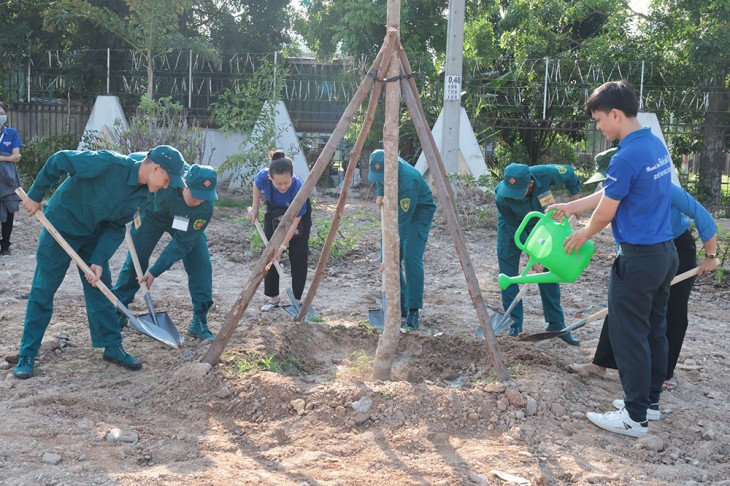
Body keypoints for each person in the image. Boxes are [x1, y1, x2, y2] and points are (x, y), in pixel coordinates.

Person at [561, 80, 679, 438]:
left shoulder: (627, 154)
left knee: (629, 336)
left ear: (615, 114)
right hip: (664, 254)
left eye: (599, 120)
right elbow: (612, 189)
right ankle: (650, 403)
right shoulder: (652, 145)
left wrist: (582, 233)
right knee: (655, 330)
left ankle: (634, 416)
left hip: (639, 259)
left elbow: (608, 211)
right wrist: (573, 205)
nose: (598, 127)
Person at [13, 146, 186, 380]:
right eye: (166, 179)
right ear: (155, 168)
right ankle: (27, 354)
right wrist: (35, 195)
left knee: (102, 291)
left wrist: (99, 259)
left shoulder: (144, 195)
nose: (166, 186)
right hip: (61, 227)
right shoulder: (108, 164)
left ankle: (112, 347)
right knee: (44, 289)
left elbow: (116, 227)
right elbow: (59, 160)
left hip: (93, 237)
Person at [558, 168, 719, 392]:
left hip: (677, 248)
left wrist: (710, 257)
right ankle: (601, 363)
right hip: (639, 251)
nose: (607, 185)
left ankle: (665, 373)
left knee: (671, 308)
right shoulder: (616, 190)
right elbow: (603, 198)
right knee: (619, 300)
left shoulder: (664, 189)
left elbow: (702, 216)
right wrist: (570, 207)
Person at [114, 162, 219, 340]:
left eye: (204, 197)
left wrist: (155, 271)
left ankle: (199, 320)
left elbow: (182, 244)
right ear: (185, 183)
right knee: (136, 259)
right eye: (195, 194)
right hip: (153, 215)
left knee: (201, 264)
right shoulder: (166, 177)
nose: (198, 201)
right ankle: (119, 309)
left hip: (184, 222)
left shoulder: (204, 207)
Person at [495, 162, 582, 345]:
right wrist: (531, 255)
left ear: (531, 184)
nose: (515, 196)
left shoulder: (544, 174)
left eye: (519, 191)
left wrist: (576, 199)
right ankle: (514, 325)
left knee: (547, 271)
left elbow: (570, 173)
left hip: (540, 225)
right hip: (512, 230)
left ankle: (556, 325)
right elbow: (516, 231)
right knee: (508, 275)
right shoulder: (502, 197)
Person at [367, 149, 436, 330]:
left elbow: (402, 227)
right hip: (397, 209)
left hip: (419, 212)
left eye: (383, 177)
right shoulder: (382, 157)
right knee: (386, 257)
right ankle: (401, 305)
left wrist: (392, 255)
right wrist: (381, 191)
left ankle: (413, 310)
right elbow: (380, 175)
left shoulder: (408, 181)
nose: (379, 180)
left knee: (410, 255)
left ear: (392, 170)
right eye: (377, 177)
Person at [248, 150, 312, 311]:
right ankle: (273, 298)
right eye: (278, 184)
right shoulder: (263, 176)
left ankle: (296, 300)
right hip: (275, 210)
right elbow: (256, 186)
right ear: (270, 178)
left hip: (297, 215)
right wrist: (255, 207)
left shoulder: (299, 188)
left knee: (298, 254)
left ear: (292, 176)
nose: (282, 187)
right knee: (270, 253)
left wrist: (283, 247)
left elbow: (294, 223)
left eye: (286, 183)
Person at [0, 102, 23, 256]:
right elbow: (12, 156)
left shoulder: (12, 133)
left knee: (9, 210)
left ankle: (5, 245)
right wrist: (6, 157)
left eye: (1, 113)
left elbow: (17, 157)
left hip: (7, 178)